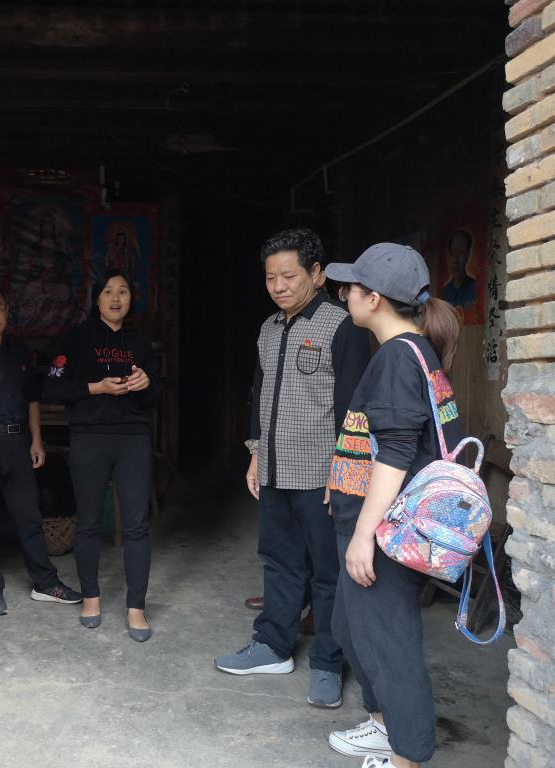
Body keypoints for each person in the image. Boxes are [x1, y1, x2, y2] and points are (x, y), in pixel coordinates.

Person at [215, 228, 369, 709]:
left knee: (328, 572)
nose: (278, 286)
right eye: (270, 278)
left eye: (289, 276)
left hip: (321, 476)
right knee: (279, 560)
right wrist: (255, 452)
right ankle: (273, 646)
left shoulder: (342, 326)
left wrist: (343, 472)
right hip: (274, 470)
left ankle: (328, 662)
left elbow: (353, 405)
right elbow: (260, 396)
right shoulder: (268, 328)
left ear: (317, 274)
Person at [323, 243, 462, 768]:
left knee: (390, 643)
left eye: (351, 287)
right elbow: (379, 440)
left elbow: (399, 452)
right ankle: (384, 726)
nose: (344, 294)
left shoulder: (398, 358)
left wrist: (364, 534)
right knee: (349, 629)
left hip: (385, 530)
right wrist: (341, 478)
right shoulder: (411, 353)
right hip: (372, 516)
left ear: (374, 298)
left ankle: (407, 755)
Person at [43, 269, 160, 641]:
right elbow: (51, 387)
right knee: (89, 522)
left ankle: (136, 607)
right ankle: (90, 598)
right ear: (96, 299)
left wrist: (146, 383)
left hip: (132, 439)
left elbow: (156, 396)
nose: (115, 298)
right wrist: (97, 388)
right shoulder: (77, 338)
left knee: (137, 525)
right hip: (89, 437)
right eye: (108, 291)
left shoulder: (140, 343)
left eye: (123, 291)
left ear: (131, 299)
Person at [0, 284, 83, 615]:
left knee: (29, 517)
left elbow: (32, 398)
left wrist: (37, 438)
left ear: (8, 311)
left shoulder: (19, 350)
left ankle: (46, 583)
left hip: (18, 442)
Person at [441, 229, 476, 309]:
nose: (455, 260)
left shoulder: (475, 288)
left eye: (461, 252)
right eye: (453, 253)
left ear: (468, 255)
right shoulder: (446, 291)